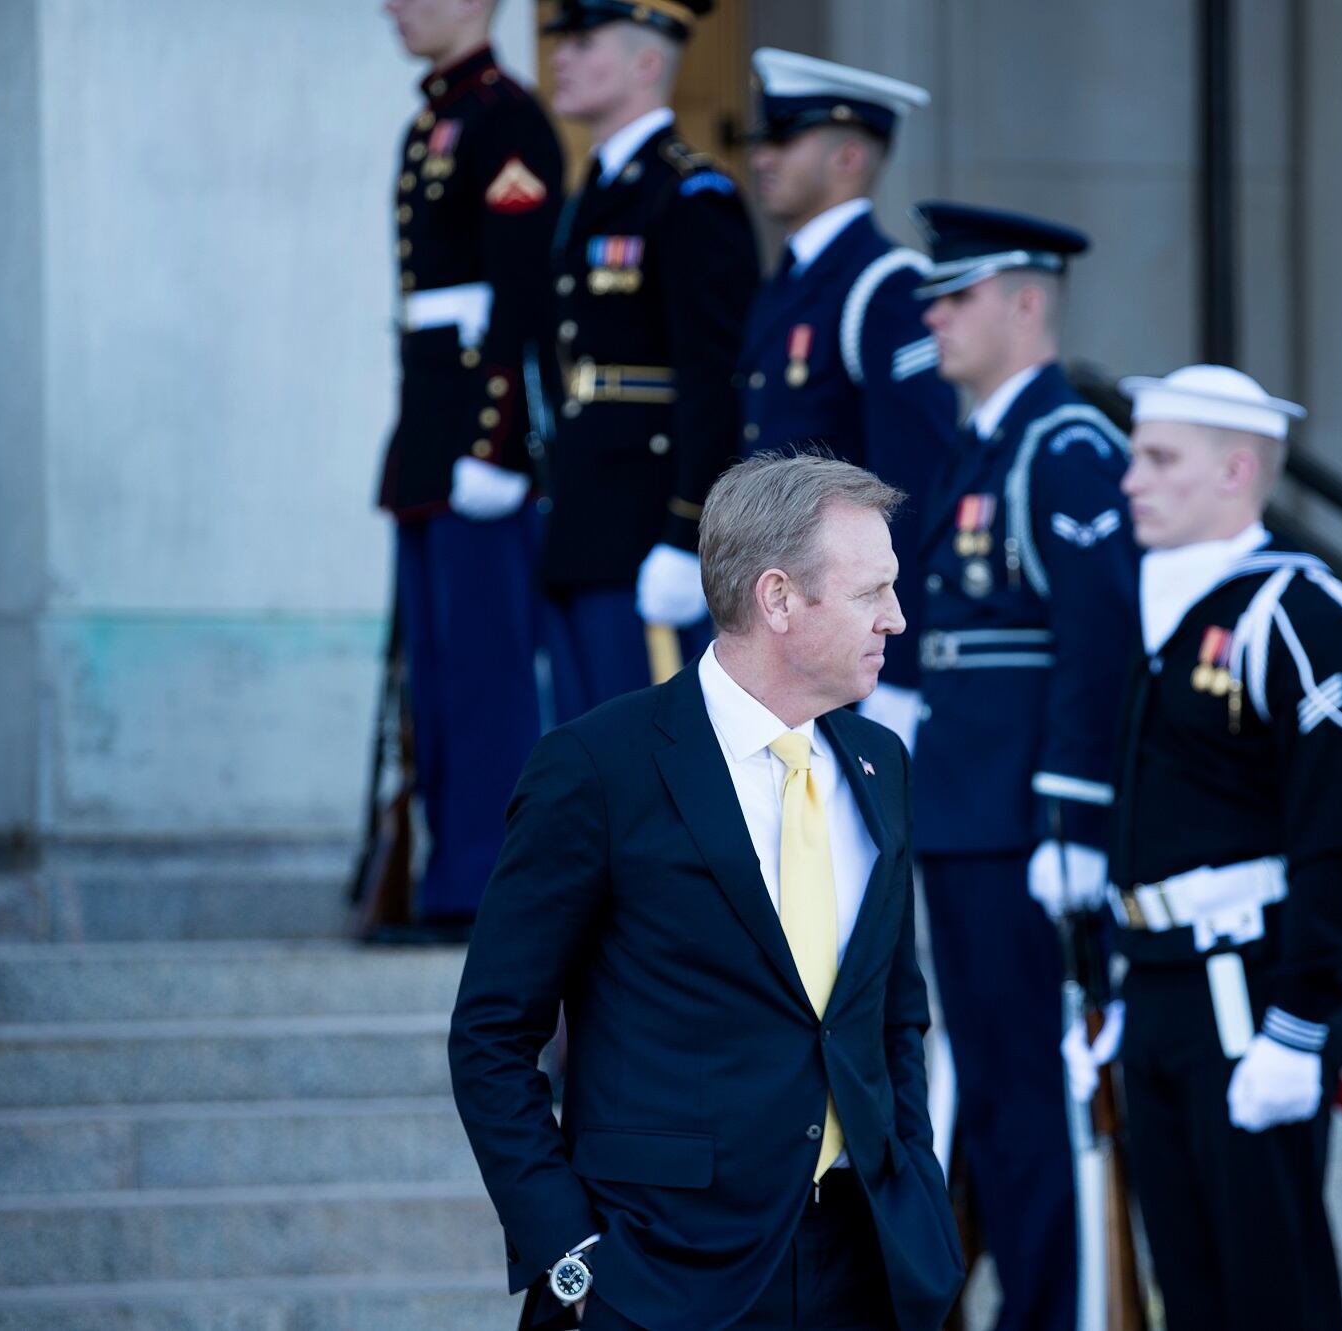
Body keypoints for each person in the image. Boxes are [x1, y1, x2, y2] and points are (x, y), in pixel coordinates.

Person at [450, 453, 967, 1331]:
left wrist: (913, 1182)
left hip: (865, 1266)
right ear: (778, 599)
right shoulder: (597, 768)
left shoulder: (881, 764)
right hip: (660, 1276)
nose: (897, 617)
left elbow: (893, 1014)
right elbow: (492, 1034)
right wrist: (571, 1255)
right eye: (871, 592)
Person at [1100, 364, 1342, 1330]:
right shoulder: (1155, 598)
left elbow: (1338, 844)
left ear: (1235, 472)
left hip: (1250, 990)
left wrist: (1301, 1021)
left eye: (1159, 458)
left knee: (1271, 1283)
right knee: (1187, 1284)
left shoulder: (1299, 614)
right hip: (1159, 981)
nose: (1131, 478)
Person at [908, 203, 1138, 1331]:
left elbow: (1099, 638)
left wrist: (1075, 818)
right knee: (995, 1092)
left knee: (1036, 1095)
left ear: (1028, 301)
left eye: (959, 296)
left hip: (1022, 825)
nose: (936, 317)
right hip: (963, 813)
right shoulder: (985, 444)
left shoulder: (1065, 447)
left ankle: (1055, 1309)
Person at [377, 0, 564, 928]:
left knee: (487, 675)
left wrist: (494, 444)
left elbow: (521, 297)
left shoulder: (506, 119)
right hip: (429, 430)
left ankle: (484, 881)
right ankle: (446, 871)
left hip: (476, 443)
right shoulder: (433, 121)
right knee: (436, 674)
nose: (394, 6)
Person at [533, 0, 759, 720]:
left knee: (655, 751)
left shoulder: (690, 195)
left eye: (584, 42)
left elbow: (716, 379)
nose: (560, 58)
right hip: (584, 515)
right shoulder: (591, 194)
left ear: (647, 62)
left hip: (649, 523)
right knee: (590, 750)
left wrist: (690, 533)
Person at [737, 49, 960, 751]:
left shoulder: (885, 285)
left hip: (849, 644)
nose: (762, 158)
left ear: (849, 158)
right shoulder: (790, 281)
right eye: (762, 140)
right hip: (784, 631)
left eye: (784, 140)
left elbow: (915, 486)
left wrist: (900, 664)